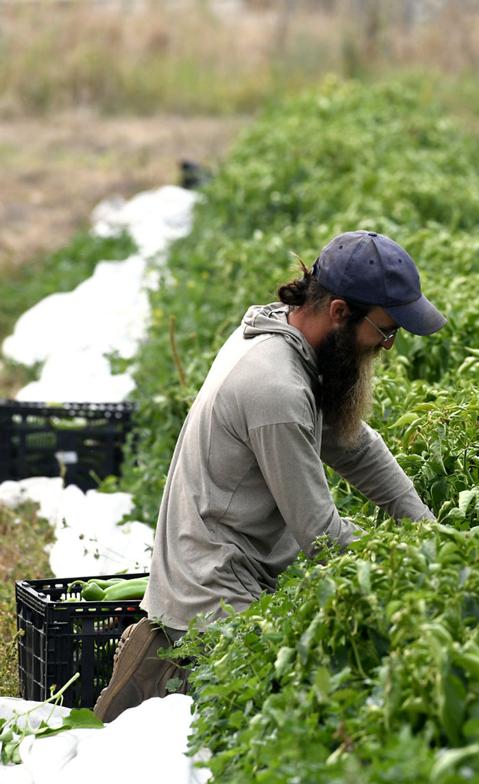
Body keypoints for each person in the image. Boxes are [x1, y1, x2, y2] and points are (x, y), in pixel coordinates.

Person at [94, 230, 445, 722]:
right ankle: (166, 665)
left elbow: (354, 444)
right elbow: (322, 537)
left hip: (233, 562)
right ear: (340, 312)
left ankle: (165, 652)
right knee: (310, 705)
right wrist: (406, 561)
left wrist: (426, 528)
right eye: (385, 331)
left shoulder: (284, 333)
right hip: (217, 590)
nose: (387, 346)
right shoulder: (274, 388)